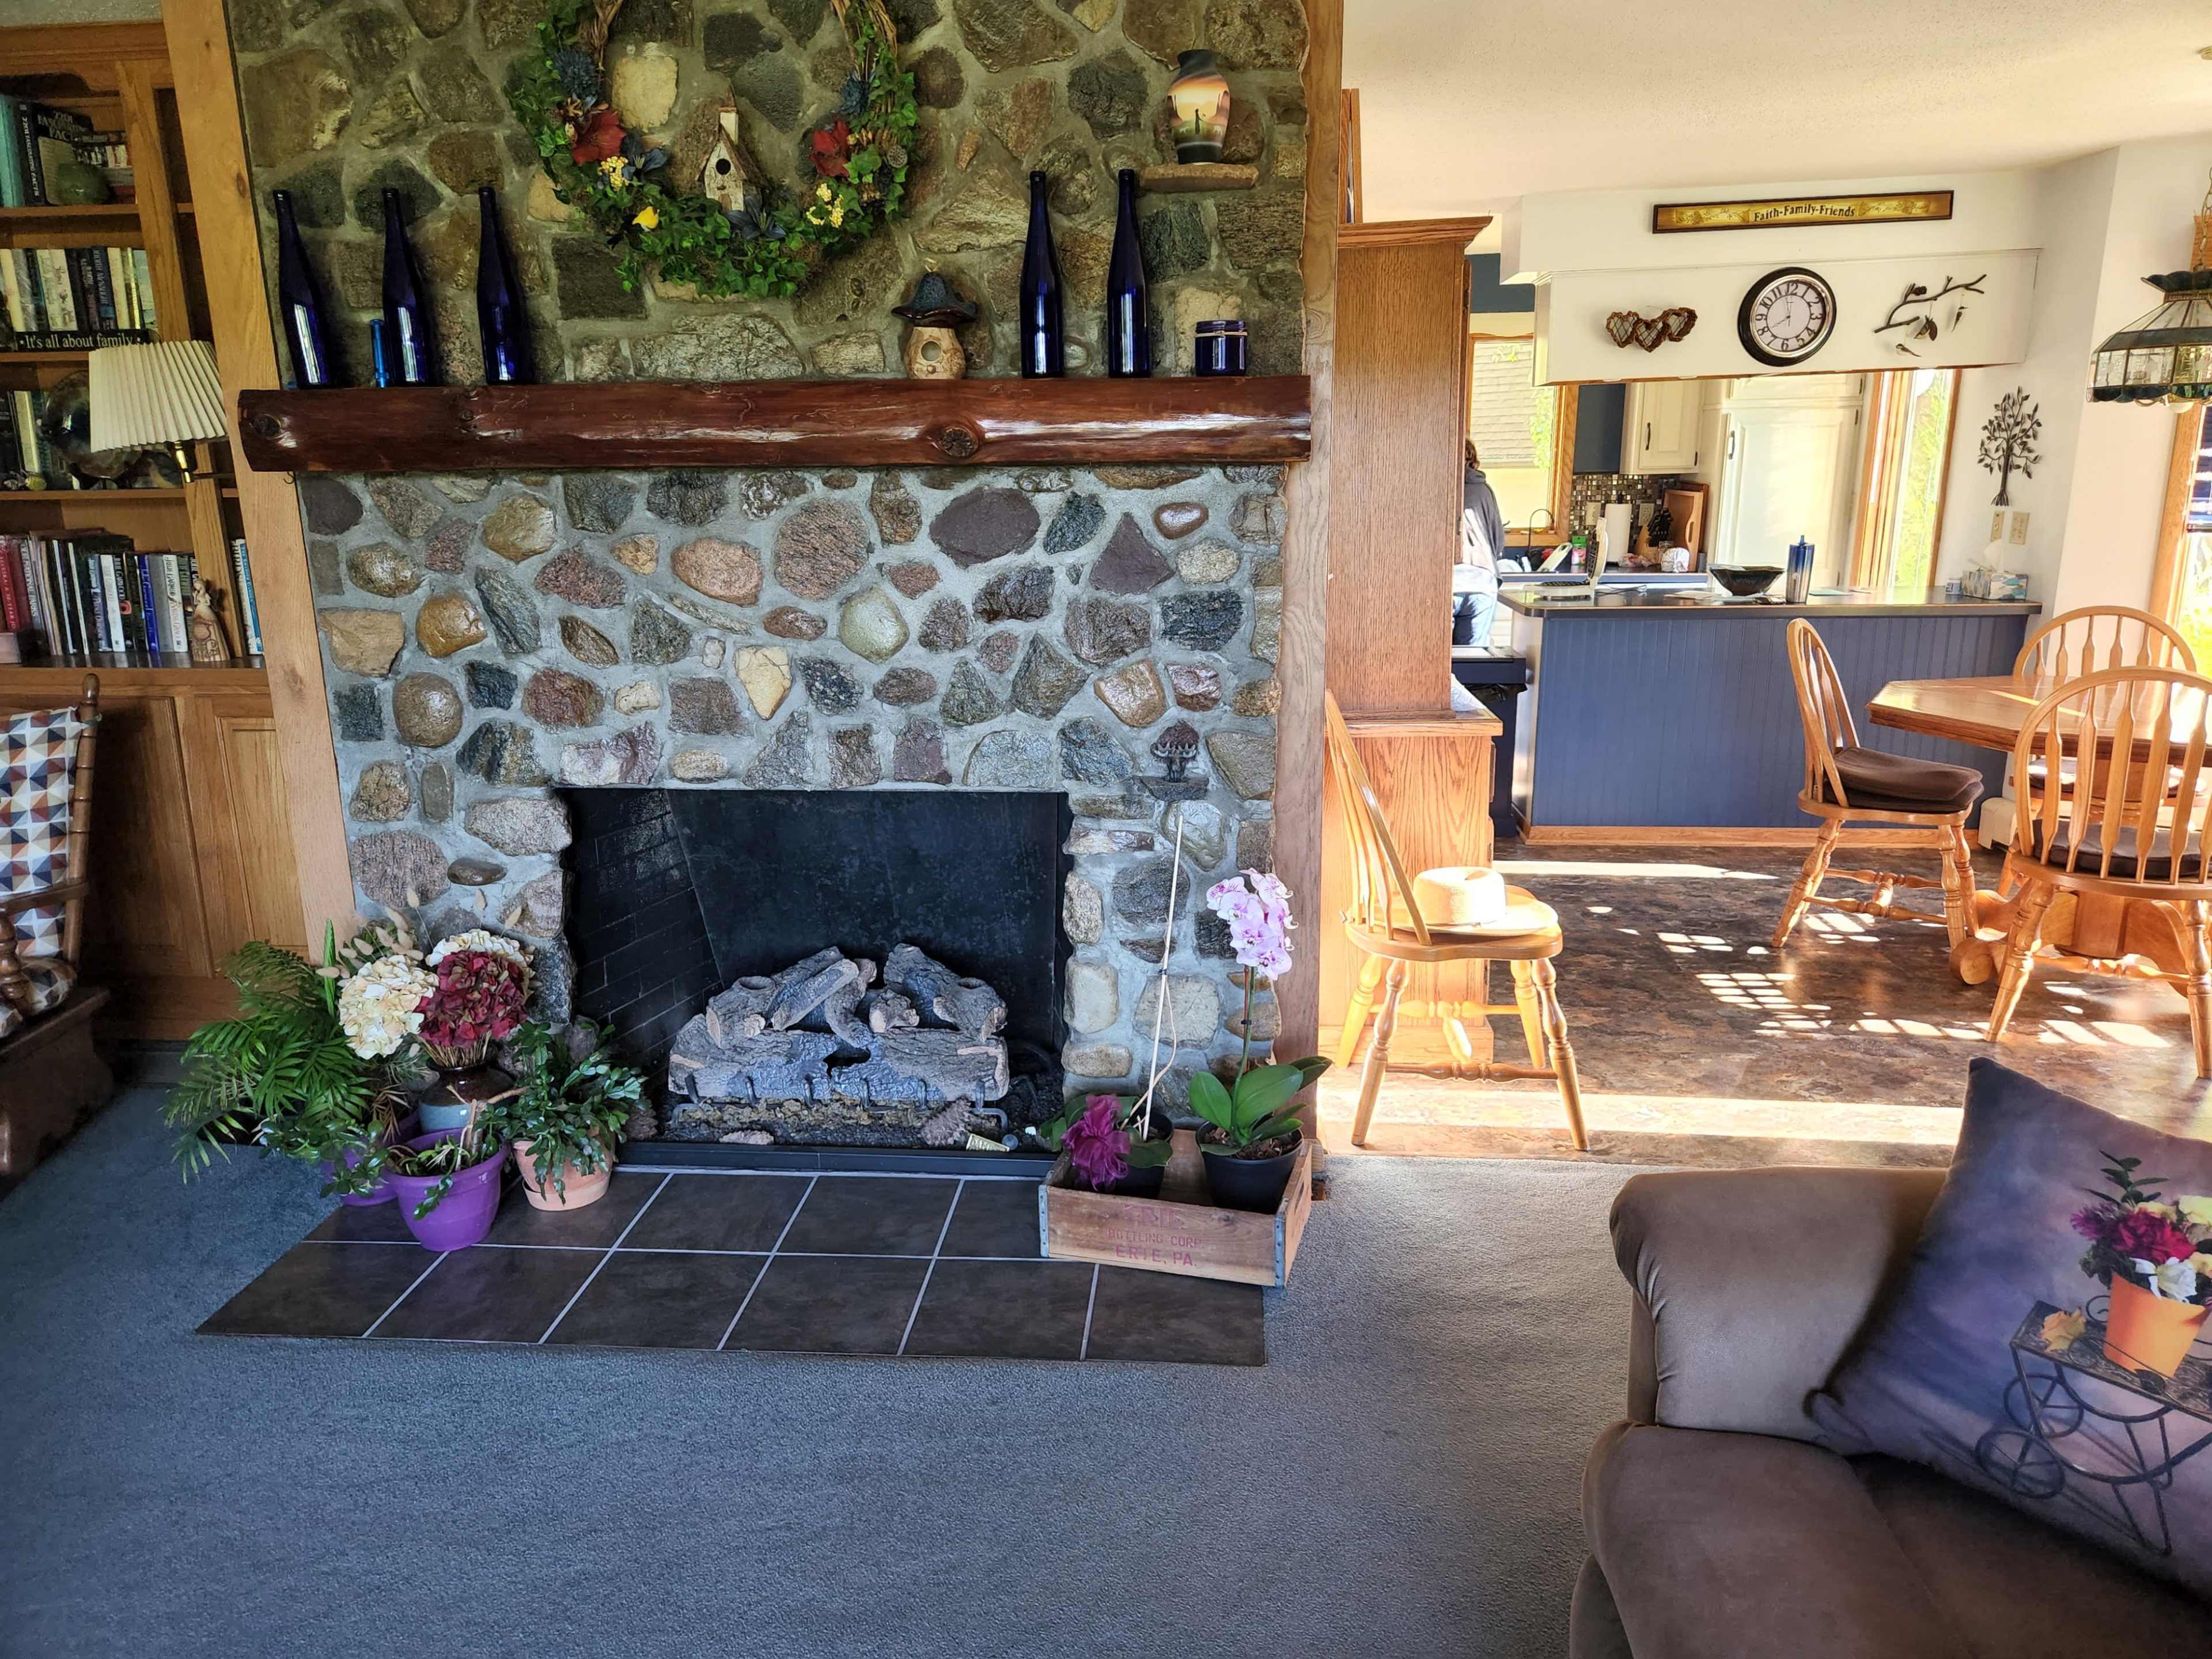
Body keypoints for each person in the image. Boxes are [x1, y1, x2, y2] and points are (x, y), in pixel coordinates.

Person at [1456, 440, 1503, 644]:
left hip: (1447, 582)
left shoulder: (1436, 488)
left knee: (1439, 662)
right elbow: (1499, 543)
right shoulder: (1485, 492)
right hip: (1483, 582)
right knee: (1472, 661)